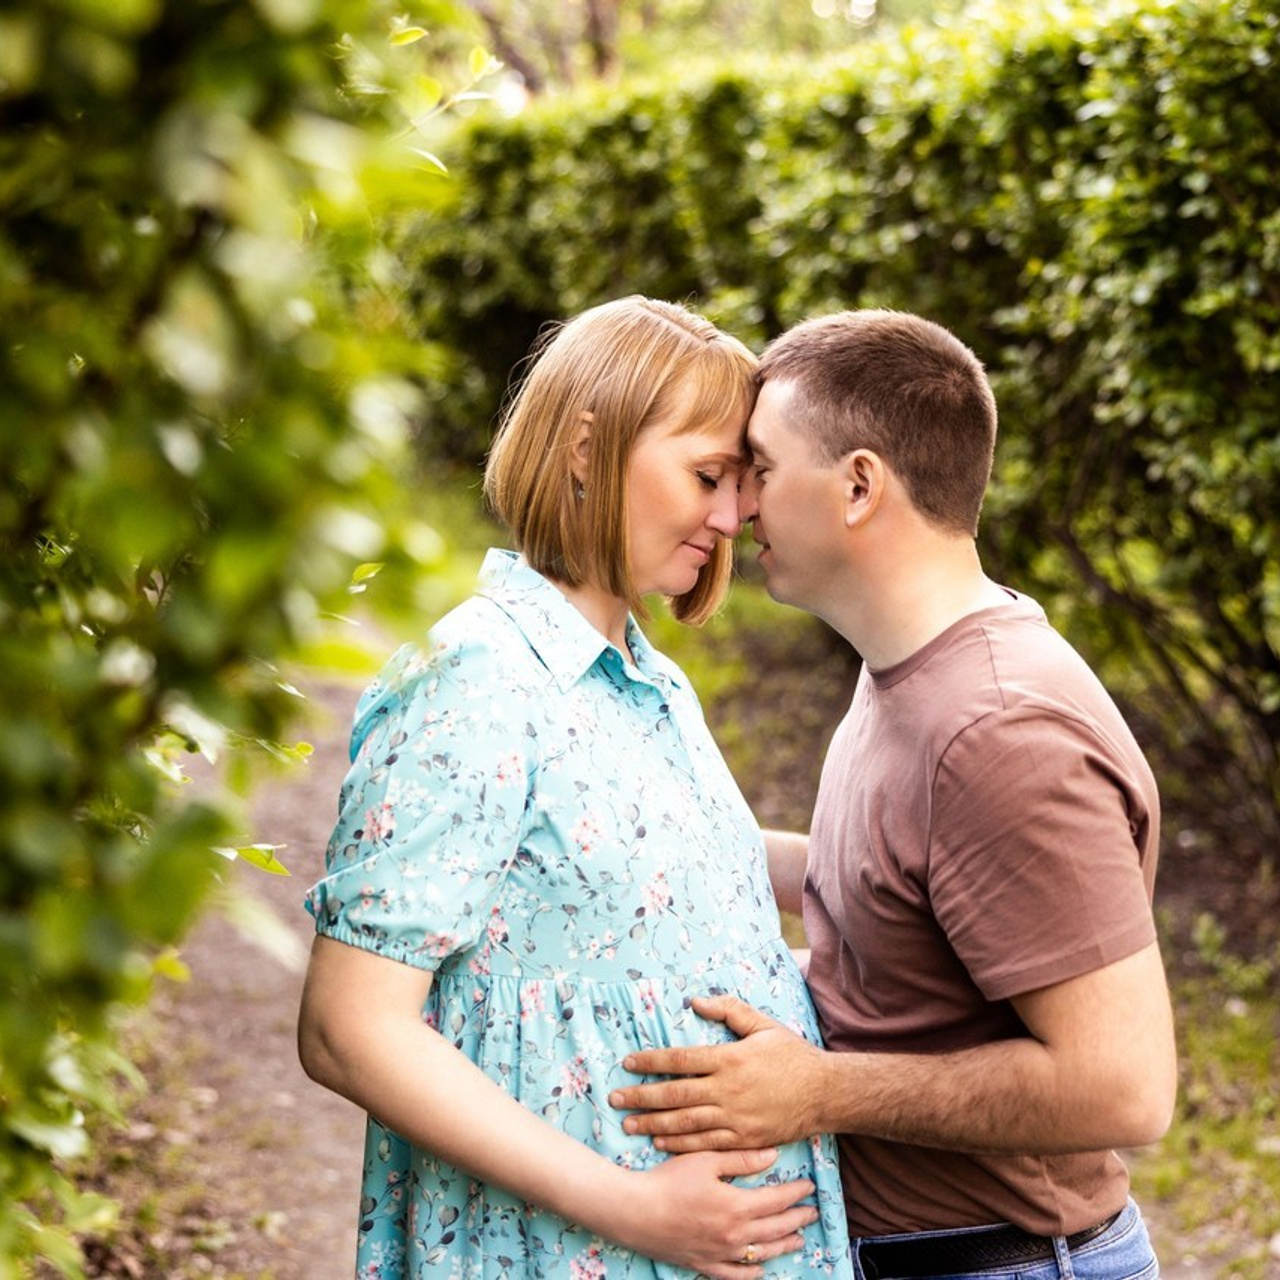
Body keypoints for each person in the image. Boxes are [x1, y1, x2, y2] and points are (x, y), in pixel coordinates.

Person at [609, 309, 1178, 1279]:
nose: (738, 505)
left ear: (859, 483)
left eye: (761, 466)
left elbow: (1123, 1084)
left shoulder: (996, 729)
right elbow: (881, 880)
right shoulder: (912, 669)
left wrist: (816, 1091)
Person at [297, 296, 853, 1280]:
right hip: (571, 1246)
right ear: (589, 447)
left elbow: (641, 860)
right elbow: (350, 1027)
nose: (731, 517)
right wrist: (636, 1206)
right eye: (706, 475)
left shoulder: (640, 670)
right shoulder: (470, 679)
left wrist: (886, 867)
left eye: (740, 484)